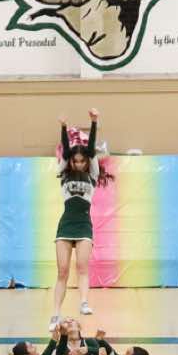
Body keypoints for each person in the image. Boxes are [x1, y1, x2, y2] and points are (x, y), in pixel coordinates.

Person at [49, 110, 111, 325]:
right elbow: (65, 152)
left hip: (84, 224)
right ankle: (55, 313)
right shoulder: (64, 173)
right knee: (62, 272)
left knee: (82, 267)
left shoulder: (92, 175)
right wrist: (63, 127)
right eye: (75, 161)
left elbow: (91, 150)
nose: (78, 164)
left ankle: (83, 302)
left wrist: (94, 122)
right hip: (66, 225)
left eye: (81, 161)